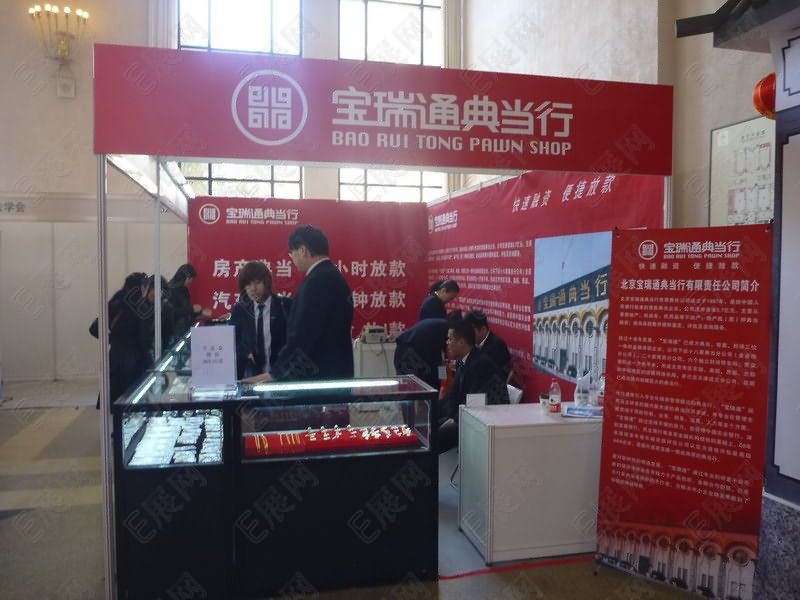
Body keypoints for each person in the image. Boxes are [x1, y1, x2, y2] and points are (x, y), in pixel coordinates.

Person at [245, 225, 354, 382]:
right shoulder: (332, 275)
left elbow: (303, 336)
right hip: (335, 375)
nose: (293, 259)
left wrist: (275, 374)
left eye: (292, 253)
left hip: (319, 379)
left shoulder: (317, 281)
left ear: (302, 250)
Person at [438, 320, 508, 453]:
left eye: (450, 339)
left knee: (436, 436)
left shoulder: (481, 364)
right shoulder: (462, 360)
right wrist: (446, 413)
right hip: (466, 413)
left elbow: (474, 400)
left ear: (461, 342)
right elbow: (455, 393)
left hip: (482, 419)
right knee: (432, 424)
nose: (447, 343)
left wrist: (453, 419)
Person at [230, 261, 291, 379]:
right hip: (251, 377)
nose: (253, 289)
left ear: (267, 283)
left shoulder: (284, 305)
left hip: (280, 376)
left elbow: (294, 341)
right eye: (248, 285)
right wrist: (246, 352)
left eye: (257, 283)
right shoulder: (240, 310)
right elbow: (232, 342)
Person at [394, 310, 462, 390]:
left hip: (406, 348)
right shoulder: (447, 329)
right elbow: (442, 361)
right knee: (412, 386)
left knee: (422, 382)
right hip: (408, 352)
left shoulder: (441, 325)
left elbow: (442, 361)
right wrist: (442, 382)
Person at [464, 309, 512, 381]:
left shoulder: (496, 346)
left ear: (483, 329)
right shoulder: (472, 344)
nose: (468, 335)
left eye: (471, 332)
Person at [166, 263, 209, 338]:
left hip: (186, 330)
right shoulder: (170, 291)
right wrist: (191, 309)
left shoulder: (184, 290)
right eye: (189, 278)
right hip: (173, 332)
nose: (191, 281)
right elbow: (170, 312)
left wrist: (200, 312)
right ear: (181, 277)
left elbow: (187, 311)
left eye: (192, 278)